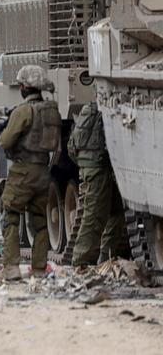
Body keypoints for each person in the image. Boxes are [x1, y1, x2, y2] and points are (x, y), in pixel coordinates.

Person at [0, 65, 61, 281]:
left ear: (25, 87)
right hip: (43, 171)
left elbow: (6, 140)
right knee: (40, 222)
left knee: (10, 215)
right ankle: (39, 268)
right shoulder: (51, 109)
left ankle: (12, 268)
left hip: (22, 171)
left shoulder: (23, 111)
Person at [68, 102, 130, 267]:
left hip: (93, 167)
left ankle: (106, 257)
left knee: (116, 210)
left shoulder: (87, 110)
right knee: (94, 216)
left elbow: (72, 147)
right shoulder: (105, 113)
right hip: (99, 168)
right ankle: (79, 262)